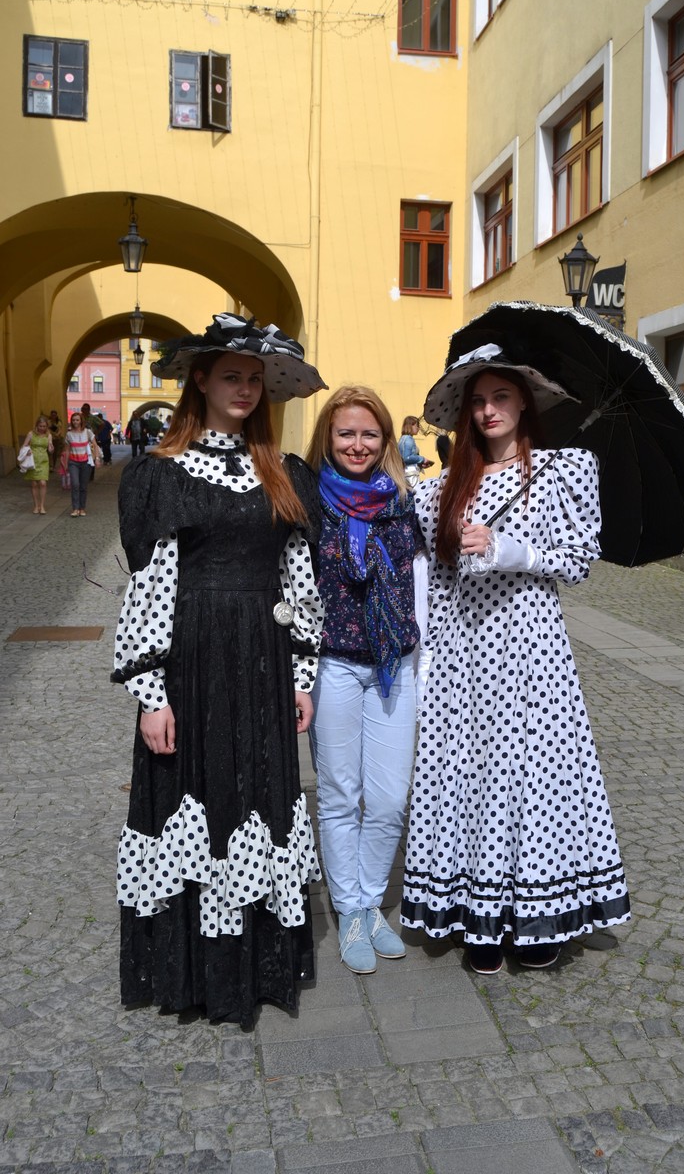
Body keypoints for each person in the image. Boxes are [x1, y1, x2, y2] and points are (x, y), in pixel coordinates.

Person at [112, 312, 327, 1028]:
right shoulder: (162, 473)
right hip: (193, 661)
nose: (244, 389)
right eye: (231, 376)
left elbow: (300, 580)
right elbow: (151, 584)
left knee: (258, 800)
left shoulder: (284, 472)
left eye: (254, 379)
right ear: (199, 379)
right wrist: (150, 693)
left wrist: (301, 676)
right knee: (192, 800)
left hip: (263, 660)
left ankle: (257, 966)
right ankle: (194, 974)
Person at [401, 348, 631, 974]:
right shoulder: (439, 490)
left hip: (531, 652)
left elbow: (579, 560)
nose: (488, 410)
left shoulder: (562, 471)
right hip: (463, 658)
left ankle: (535, 918)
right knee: (469, 778)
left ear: (524, 401)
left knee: (534, 781)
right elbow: (433, 580)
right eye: (477, 401)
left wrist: (513, 550)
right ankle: (476, 914)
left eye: (500, 397)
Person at [305, 387, 420, 974]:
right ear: (328, 435)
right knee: (339, 794)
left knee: (389, 798)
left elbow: (431, 583)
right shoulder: (307, 502)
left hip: (395, 664)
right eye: (346, 433)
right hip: (331, 665)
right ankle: (351, 909)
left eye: (369, 434)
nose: (358, 445)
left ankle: (372, 900)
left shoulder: (406, 501)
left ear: (385, 440)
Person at [64, 410, 99, 517]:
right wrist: (65, 464)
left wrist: (97, 458)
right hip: (73, 462)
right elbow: (67, 450)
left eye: (77, 420)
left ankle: (82, 508)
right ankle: (75, 508)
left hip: (85, 462)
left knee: (83, 486)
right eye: (73, 420)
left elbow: (95, 445)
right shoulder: (69, 434)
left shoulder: (87, 432)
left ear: (81, 421)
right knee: (75, 484)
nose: (75, 422)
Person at [21, 414, 53, 513]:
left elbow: (50, 449)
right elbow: (24, 446)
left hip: (43, 460)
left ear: (46, 426)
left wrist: (51, 448)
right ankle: (36, 505)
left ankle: (42, 505)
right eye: (40, 426)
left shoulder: (49, 435)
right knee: (34, 484)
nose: (42, 428)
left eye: (44, 426)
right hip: (33, 461)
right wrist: (27, 451)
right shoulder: (31, 434)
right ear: (37, 425)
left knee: (43, 483)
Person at [398, 416, 433, 488]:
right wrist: (422, 459)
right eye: (417, 425)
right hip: (410, 475)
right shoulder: (408, 439)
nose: (418, 428)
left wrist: (420, 464)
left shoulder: (403, 439)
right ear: (411, 425)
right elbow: (406, 458)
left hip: (406, 473)